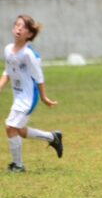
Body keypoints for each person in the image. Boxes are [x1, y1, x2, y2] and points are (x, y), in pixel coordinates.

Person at [0, 15, 63, 172]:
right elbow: (7, 71)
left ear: (30, 34)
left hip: (28, 98)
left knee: (10, 127)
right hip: (18, 96)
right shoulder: (8, 49)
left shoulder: (29, 55)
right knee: (19, 130)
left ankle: (18, 165)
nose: (19, 28)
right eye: (17, 25)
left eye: (23, 27)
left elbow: (39, 78)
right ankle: (52, 137)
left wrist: (43, 97)